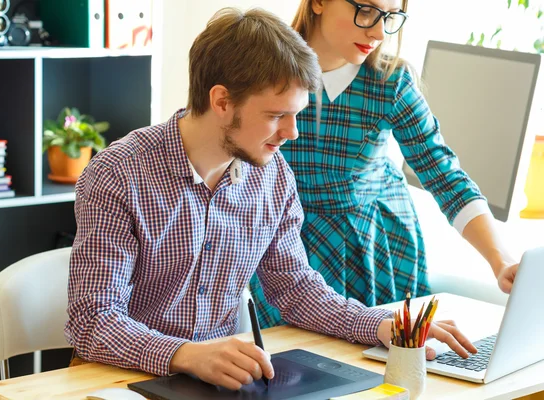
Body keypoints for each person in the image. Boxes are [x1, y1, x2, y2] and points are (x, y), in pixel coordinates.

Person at [65, 7, 476, 391]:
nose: (292, 133)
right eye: (277, 115)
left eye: (297, 113)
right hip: (116, 381)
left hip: (214, 383)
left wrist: (382, 325)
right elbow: (93, 321)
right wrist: (185, 355)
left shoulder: (272, 175)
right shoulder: (118, 174)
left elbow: (296, 289)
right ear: (222, 101)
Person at [249, 0, 520, 330]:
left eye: (391, 16)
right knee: (292, 363)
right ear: (318, 2)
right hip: (287, 245)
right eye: (365, 10)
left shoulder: (390, 81)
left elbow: (444, 173)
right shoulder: (261, 67)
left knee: (385, 361)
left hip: (375, 247)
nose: (379, 32)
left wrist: (500, 259)